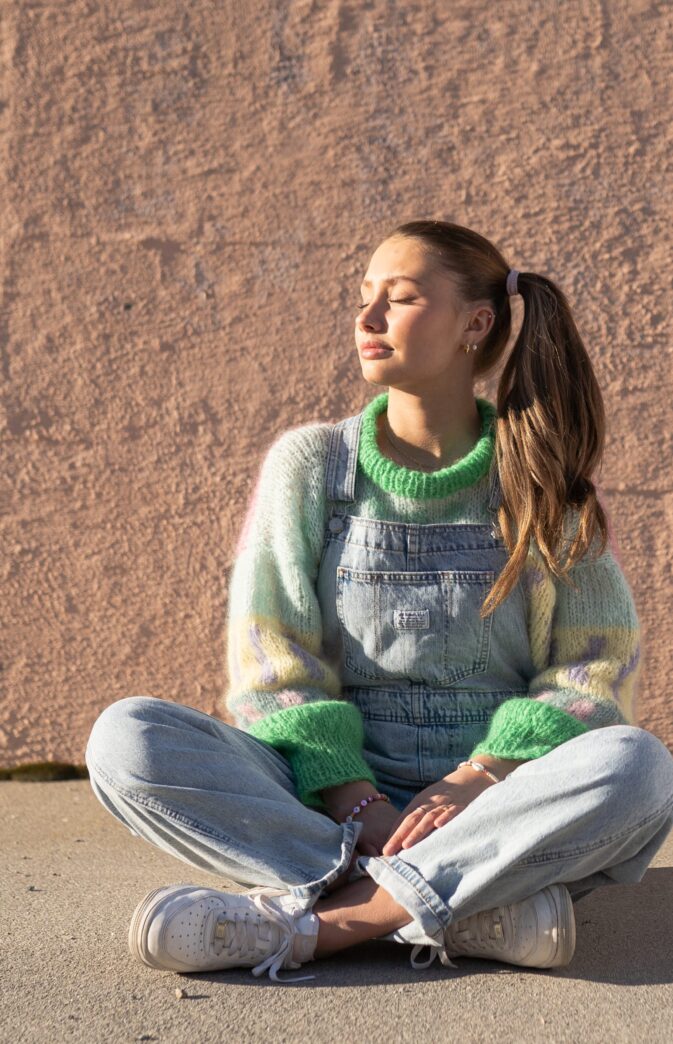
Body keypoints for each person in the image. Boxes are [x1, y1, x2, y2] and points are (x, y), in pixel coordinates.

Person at [86, 220, 673, 984]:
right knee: (126, 739)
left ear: (475, 323)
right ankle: (465, 908)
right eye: (364, 296)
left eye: (398, 299)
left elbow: (592, 670)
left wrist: (478, 778)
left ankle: (326, 925)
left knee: (638, 767)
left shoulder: (539, 480)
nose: (366, 319)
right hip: (328, 800)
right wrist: (358, 801)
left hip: (497, 803)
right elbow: (271, 660)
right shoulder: (311, 466)